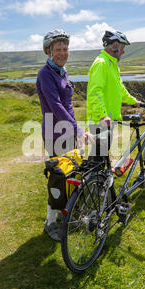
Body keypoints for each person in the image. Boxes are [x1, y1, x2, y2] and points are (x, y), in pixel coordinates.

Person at [36, 29, 94, 241]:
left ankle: (64, 214)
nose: (62, 52)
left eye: (65, 48)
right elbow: (56, 106)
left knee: (72, 174)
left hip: (69, 130)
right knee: (58, 178)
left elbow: (68, 106)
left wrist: (76, 129)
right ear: (49, 51)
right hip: (55, 133)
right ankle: (50, 223)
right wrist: (78, 129)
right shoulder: (45, 74)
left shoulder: (62, 71)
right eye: (58, 49)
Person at [86, 30, 143, 128]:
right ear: (115, 46)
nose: (123, 51)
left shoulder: (112, 65)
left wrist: (134, 101)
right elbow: (95, 92)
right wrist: (102, 115)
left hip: (109, 121)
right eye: (122, 47)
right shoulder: (101, 63)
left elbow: (120, 89)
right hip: (100, 122)